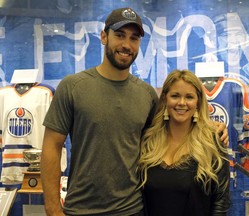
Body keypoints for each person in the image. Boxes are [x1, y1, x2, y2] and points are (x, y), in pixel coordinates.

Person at [40, 8, 229, 216]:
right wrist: (53, 209)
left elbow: (171, 127)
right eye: (119, 35)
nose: (126, 45)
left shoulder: (146, 95)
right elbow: (52, 146)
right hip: (81, 209)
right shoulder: (72, 87)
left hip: (132, 210)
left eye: (134, 38)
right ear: (104, 36)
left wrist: (210, 127)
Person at [138, 69, 231, 216]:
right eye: (175, 96)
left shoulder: (213, 143)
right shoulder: (147, 141)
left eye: (189, 97)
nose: (182, 103)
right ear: (165, 99)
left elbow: (221, 202)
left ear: (198, 102)